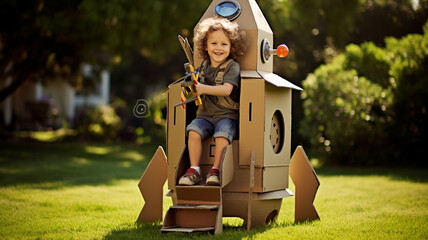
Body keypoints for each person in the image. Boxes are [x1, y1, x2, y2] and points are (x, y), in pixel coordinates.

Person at [179, 17, 247, 186]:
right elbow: (195, 89)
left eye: (224, 44)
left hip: (226, 116)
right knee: (193, 130)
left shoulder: (232, 67)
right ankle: (194, 170)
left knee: (222, 135)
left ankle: (216, 170)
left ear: (231, 47)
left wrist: (203, 88)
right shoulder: (203, 66)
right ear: (206, 47)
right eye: (214, 43)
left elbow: (227, 90)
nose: (219, 48)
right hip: (205, 116)